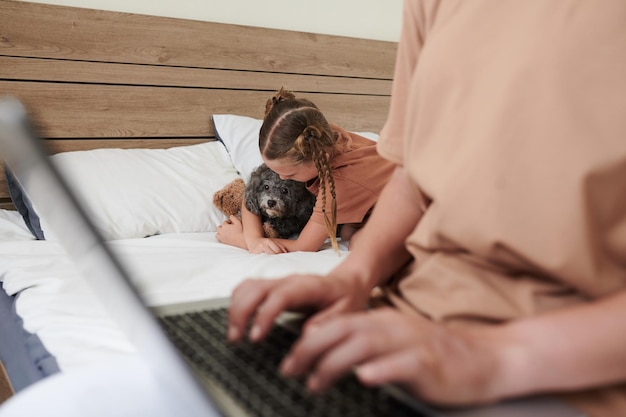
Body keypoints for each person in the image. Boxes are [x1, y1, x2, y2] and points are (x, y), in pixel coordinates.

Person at [226, 1, 626, 416]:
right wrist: (352, 279)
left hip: (562, 369)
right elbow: (414, 176)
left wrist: (494, 358)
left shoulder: (340, 183)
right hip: (405, 319)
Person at [216, 89, 395, 254]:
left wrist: (241, 240)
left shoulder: (340, 184)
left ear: (319, 157)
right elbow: (252, 196)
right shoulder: (320, 136)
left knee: (358, 242)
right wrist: (254, 238)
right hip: (382, 200)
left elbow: (304, 246)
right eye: (274, 171)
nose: (282, 178)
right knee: (349, 231)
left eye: (290, 174)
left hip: (411, 210)